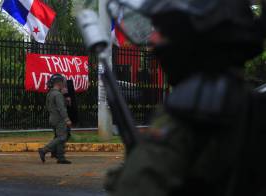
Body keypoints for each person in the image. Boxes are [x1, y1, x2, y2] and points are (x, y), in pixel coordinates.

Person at [105, 0, 266, 195]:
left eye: (164, 30)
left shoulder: (191, 111)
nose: (153, 39)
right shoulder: (250, 105)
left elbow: (135, 186)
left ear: (195, 39)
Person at [38, 74, 72, 164]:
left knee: (60, 137)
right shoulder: (57, 95)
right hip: (59, 119)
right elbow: (61, 108)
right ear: (59, 83)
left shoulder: (50, 93)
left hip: (52, 118)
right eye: (62, 83)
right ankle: (44, 150)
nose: (64, 85)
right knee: (62, 137)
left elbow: (49, 106)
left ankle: (61, 158)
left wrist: (65, 98)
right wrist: (66, 119)